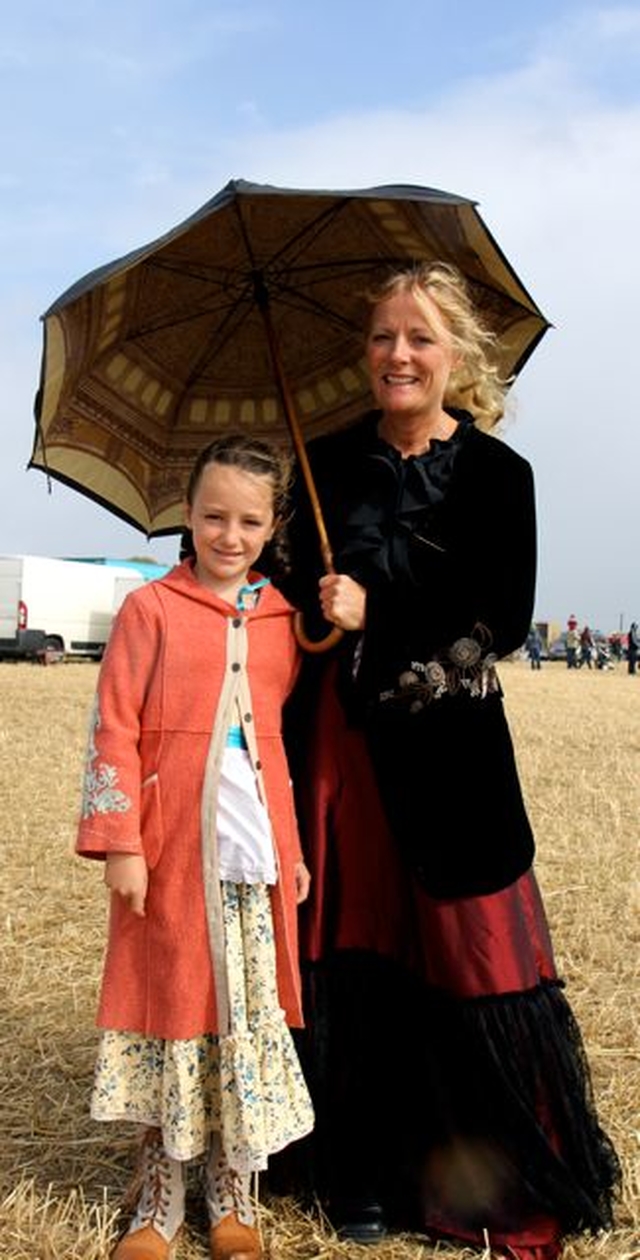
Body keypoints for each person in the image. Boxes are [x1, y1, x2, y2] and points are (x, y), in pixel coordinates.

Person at [281, 263, 620, 1259]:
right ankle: (363, 1174)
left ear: (457, 357)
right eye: (383, 336)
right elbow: (286, 589)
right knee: (357, 963)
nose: (398, 354)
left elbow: (500, 617)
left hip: (454, 761)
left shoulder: (497, 477)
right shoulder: (326, 465)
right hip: (343, 755)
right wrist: (308, 593)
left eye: (420, 338)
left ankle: (488, 1186)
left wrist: (379, 610)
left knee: (472, 961)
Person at [76, 434, 314, 1260]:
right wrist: (120, 843)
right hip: (173, 851)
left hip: (252, 863)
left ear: (274, 524)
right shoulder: (150, 611)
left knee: (239, 1021)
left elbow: (277, 744)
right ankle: (158, 1189)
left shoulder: (285, 618)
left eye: (249, 520)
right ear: (188, 515)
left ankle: (230, 1185)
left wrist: (292, 848)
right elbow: (114, 728)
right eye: (214, 516)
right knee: (171, 1010)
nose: (229, 535)